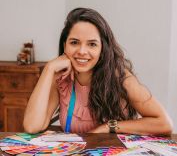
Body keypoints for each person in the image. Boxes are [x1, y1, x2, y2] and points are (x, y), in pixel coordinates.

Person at [23, 7, 173, 135]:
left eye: (92, 44)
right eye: (74, 42)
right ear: (65, 44)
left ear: (103, 48)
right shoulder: (61, 78)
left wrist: (109, 127)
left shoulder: (120, 77)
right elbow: (32, 126)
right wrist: (48, 69)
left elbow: (164, 124)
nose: (82, 51)